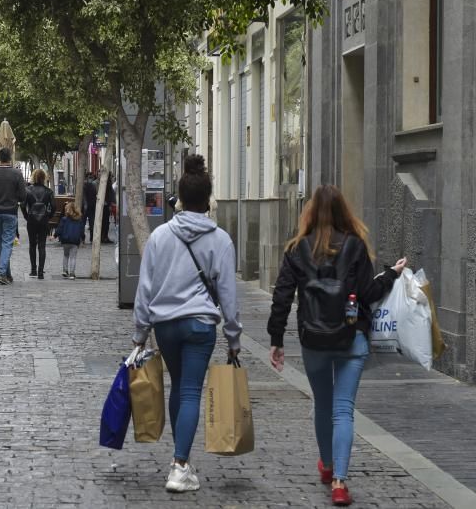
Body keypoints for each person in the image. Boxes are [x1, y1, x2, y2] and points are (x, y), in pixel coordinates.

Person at [267, 184, 406, 507]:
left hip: (313, 340)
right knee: (343, 409)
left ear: (311, 212)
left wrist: (276, 340)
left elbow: (282, 297)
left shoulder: (297, 248)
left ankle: (327, 466)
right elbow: (369, 293)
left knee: (323, 404)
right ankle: (340, 483)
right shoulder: (356, 246)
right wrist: (391, 275)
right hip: (351, 337)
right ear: (345, 211)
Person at [132, 155, 242, 493]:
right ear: (208, 200)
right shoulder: (220, 239)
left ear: (180, 198)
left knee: (179, 385)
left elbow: (145, 288)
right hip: (199, 326)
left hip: (166, 325)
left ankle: (180, 460)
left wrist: (141, 333)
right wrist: (233, 336)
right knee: (191, 389)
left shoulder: (160, 237)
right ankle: (180, 465)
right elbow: (228, 294)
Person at [0, 147, 26, 285]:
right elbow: (23, 195)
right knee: (7, 243)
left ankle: (7, 274)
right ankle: (2, 273)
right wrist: (14, 200)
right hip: (10, 212)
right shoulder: (17, 174)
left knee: (2, 244)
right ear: (10, 158)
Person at [21, 169, 54, 279]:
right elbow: (53, 207)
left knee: (32, 245)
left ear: (33, 177)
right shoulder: (48, 191)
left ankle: (33, 270)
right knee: (42, 245)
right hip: (43, 220)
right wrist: (48, 216)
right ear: (44, 178)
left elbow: (22, 205)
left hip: (31, 220)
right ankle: (40, 272)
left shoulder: (27, 190)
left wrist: (26, 216)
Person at [54, 202, 82, 279]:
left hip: (65, 240)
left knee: (66, 255)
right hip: (75, 241)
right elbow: (81, 231)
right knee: (73, 257)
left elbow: (60, 228)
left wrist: (55, 235)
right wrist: (82, 238)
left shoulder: (64, 219)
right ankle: (72, 273)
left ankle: (65, 271)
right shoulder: (79, 220)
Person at [100, 173, 116, 244]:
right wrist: (110, 203)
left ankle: (104, 237)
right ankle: (104, 237)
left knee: (105, 222)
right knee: (105, 222)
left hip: (105, 205)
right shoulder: (107, 184)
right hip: (106, 206)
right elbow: (109, 195)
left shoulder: (104, 183)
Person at [82, 174, 97, 243]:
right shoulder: (86, 186)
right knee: (85, 223)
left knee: (91, 223)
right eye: (89, 178)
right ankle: (84, 238)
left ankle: (89, 238)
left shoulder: (93, 186)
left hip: (90, 207)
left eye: (91, 178)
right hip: (87, 207)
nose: (90, 179)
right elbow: (84, 196)